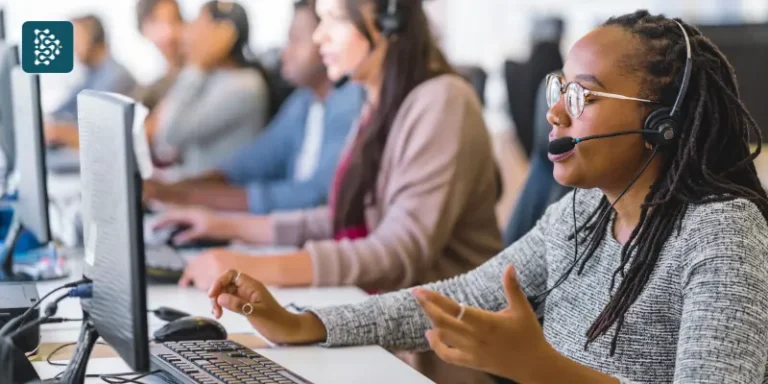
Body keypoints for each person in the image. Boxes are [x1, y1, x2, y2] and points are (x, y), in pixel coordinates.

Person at [206, 10, 768, 384]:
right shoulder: (581, 214)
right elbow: (459, 296)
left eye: (583, 96)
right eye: (559, 89)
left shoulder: (721, 234)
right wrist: (306, 323)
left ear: (662, 121)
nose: (554, 113)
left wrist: (544, 370)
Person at [156, 0, 502, 381]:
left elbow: (398, 250)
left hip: (435, 357)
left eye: (333, 20)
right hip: (380, 331)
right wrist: (226, 227)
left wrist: (251, 267)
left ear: (388, 22)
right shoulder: (378, 102)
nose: (320, 36)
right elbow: (341, 220)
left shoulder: (442, 101)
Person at [143, 0, 365, 214]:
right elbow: (250, 163)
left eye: (295, 40)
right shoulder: (304, 101)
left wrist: (182, 195)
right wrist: (174, 189)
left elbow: (316, 195)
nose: (283, 52)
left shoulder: (350, 100)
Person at [152, 1, 270, 178]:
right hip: (191, 187)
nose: (186, 33)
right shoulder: (210, 77)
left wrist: (196, 65)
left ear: (222, 34)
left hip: (215, 197)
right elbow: (163, 146)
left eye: (197, 25)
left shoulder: (245, 86)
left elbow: (169, 133)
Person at [45, 14, 137, 149]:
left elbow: (102, 136)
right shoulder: (91, 74)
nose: (71, 46)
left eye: (76, 38)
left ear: (93, 38)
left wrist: (64, 132)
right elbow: (61, 111)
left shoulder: (117, 77)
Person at [134, 0, 185, 111]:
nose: (169, 32)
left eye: (174, 20)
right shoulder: (152, 76)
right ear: (143, 29)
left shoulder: (196, 68)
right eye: (158, 23)